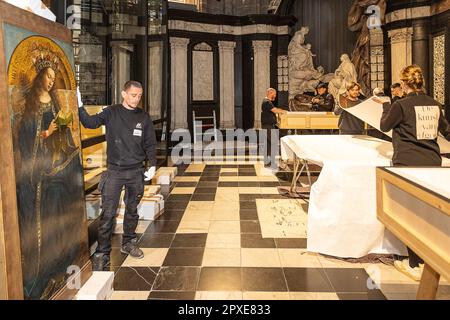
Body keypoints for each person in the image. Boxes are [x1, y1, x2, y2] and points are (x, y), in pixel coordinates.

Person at [375, 65, 450, 281]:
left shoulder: (401, 105)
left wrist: (386, 105)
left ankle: (416, 262)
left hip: (407, 162)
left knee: (411, 214)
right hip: (432, 161)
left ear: (405, 84)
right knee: (429, 212)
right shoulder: (434, 104)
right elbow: (447, 131)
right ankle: (432, 257)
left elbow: (384, 125)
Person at [78, 81, 157, 271]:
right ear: (124, 93)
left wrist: (152, 164)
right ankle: (103, 252)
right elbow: (90, 123)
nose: (136, 99)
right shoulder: (111, 112)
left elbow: (150, 143)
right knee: (107, 213)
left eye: (139, 96)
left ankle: (128, 242)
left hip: (136, 171)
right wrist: (79, 106)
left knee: (132, 210)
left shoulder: (143, 117)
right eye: (133, 95)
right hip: (114, 171)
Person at [261, 88, 287, 167]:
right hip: (267, 126)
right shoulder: (267, 102)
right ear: (270, 93)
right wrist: (284, 112)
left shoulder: (267, 102)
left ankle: (268, 162)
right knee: (274, 142)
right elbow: (275, 110)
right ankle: (270, 161)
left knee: (269, 144)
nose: (275, 96)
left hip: (268, 126)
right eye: (274, 94)